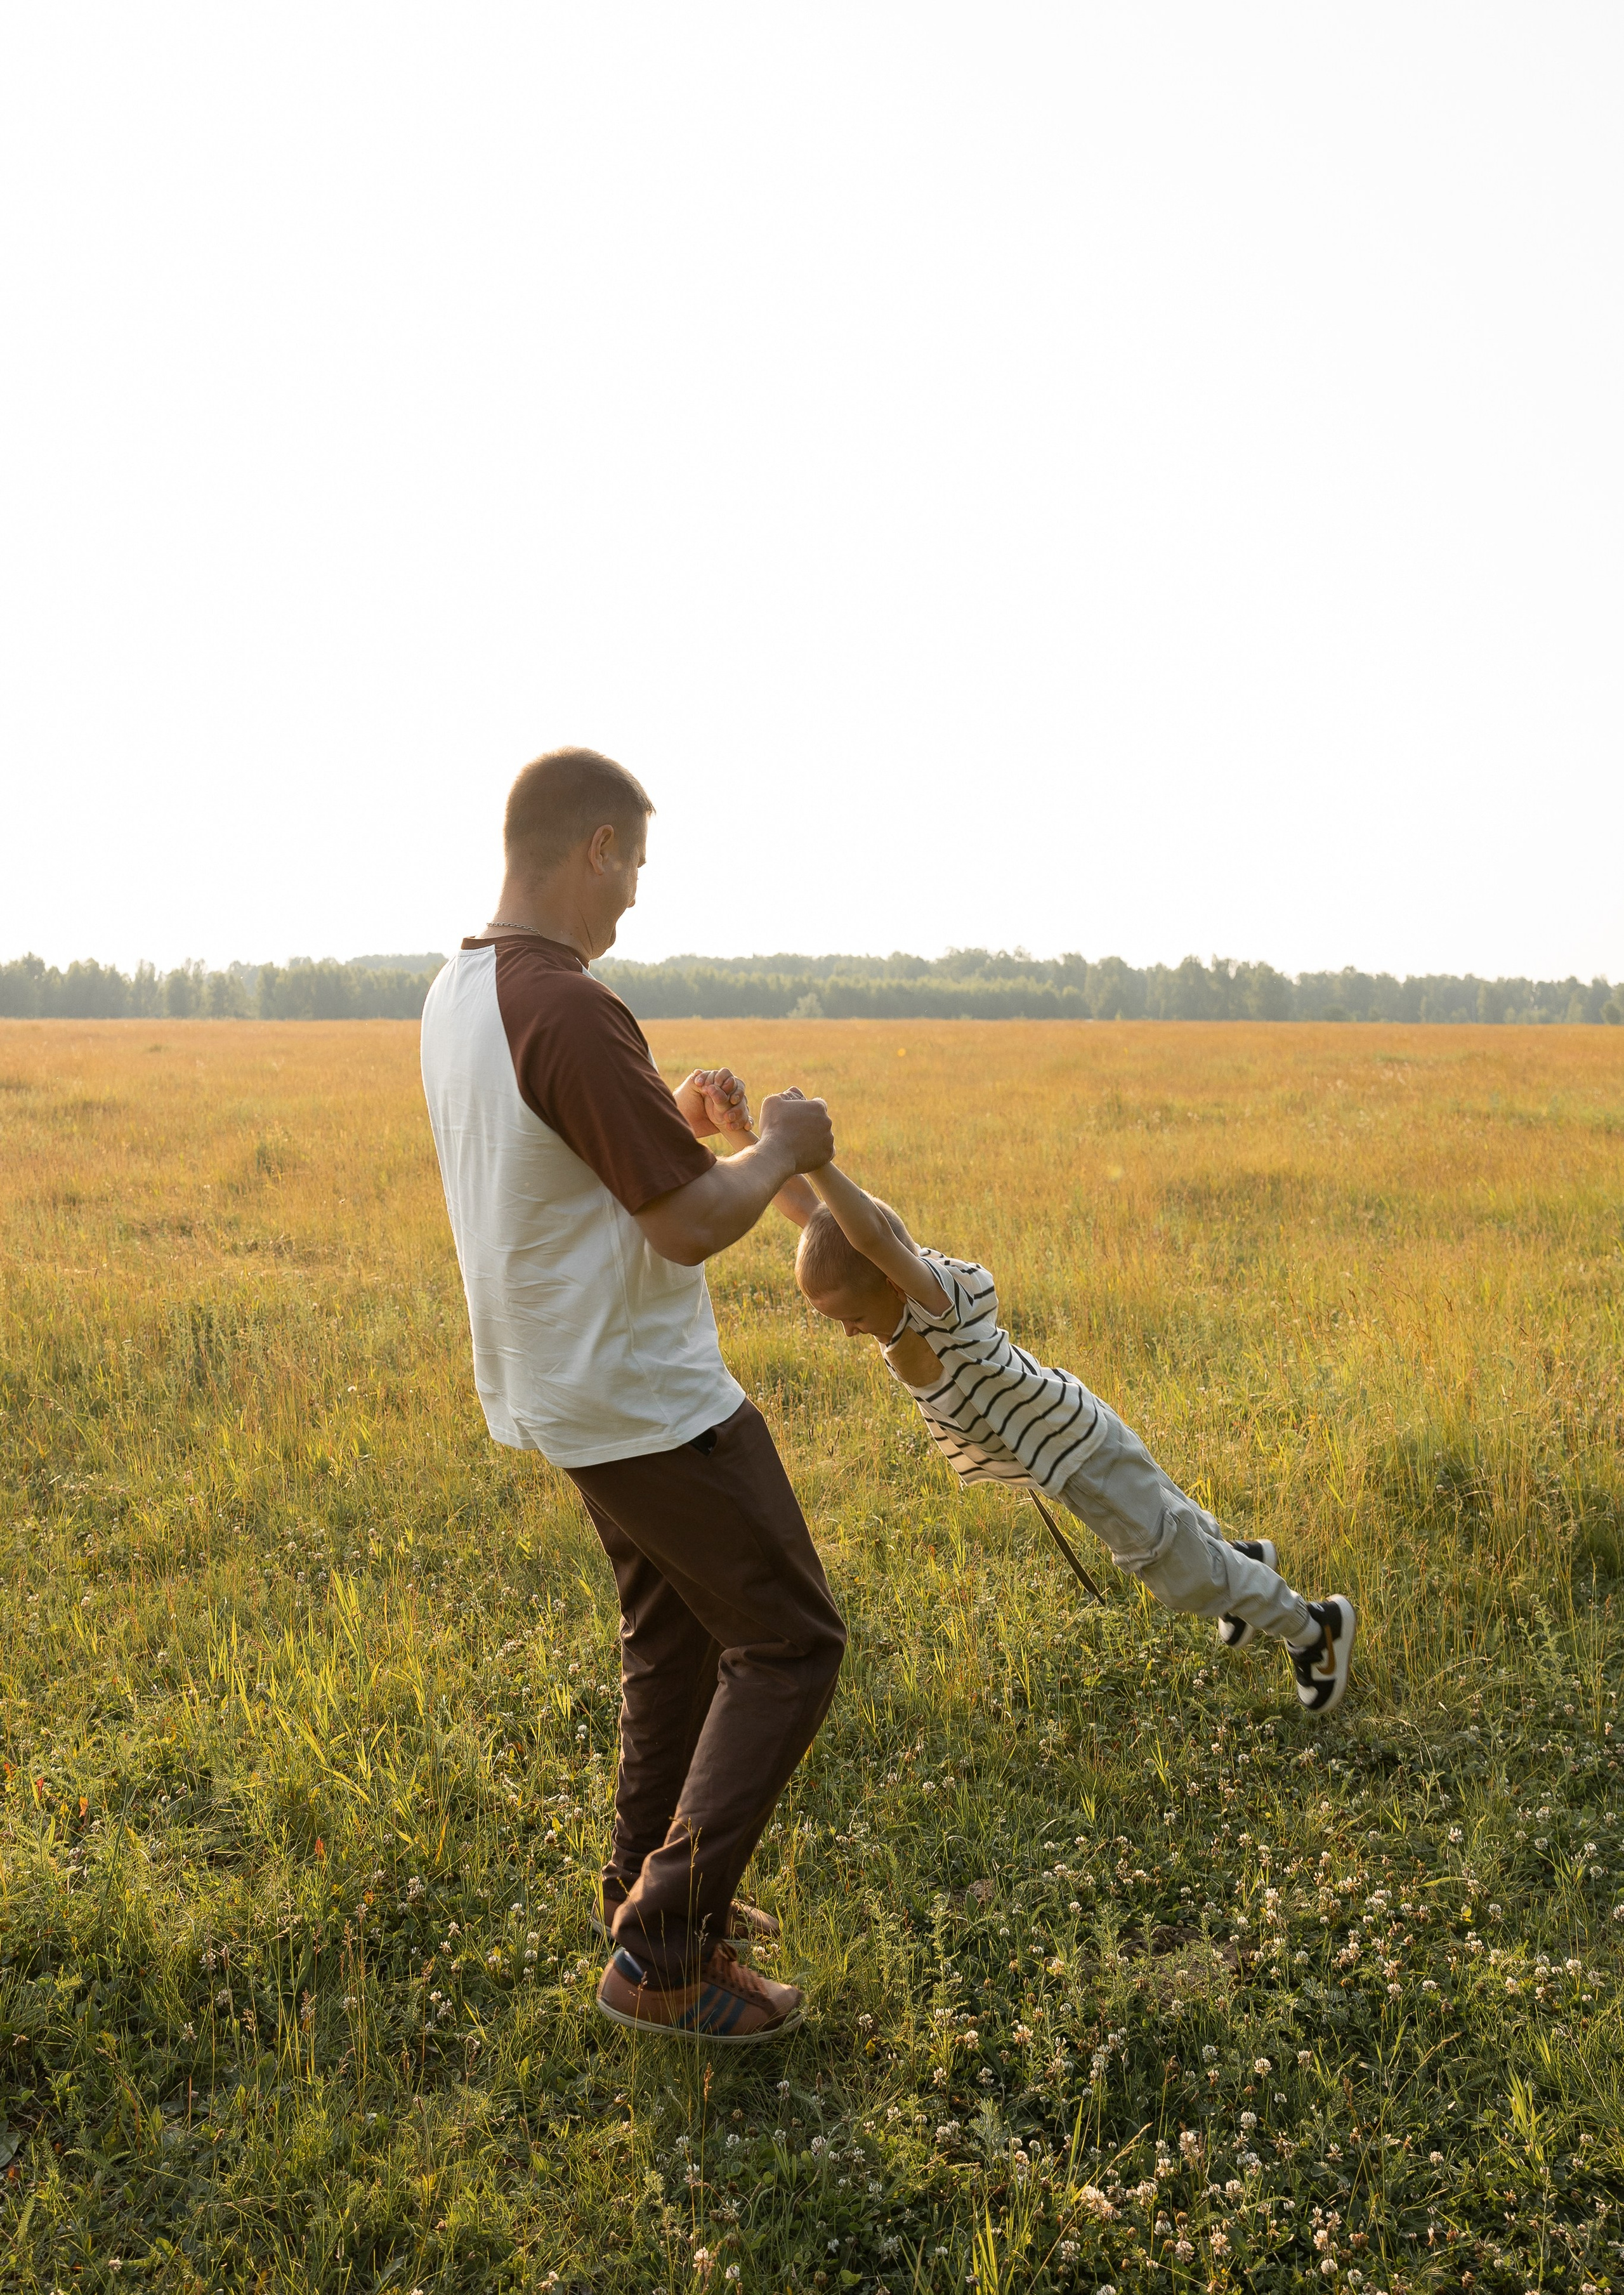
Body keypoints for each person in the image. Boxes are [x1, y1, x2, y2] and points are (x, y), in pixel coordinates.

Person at [419, 748, 841, 2046]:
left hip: (562, 1388)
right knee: (789, 1642)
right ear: (595, 846)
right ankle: (661, 1953)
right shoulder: (569, 1003)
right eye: (635, 866)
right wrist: (780, 1145)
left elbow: (559, 1141)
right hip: (647, 1399)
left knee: (676, 1642)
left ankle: (641, 1893)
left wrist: (672, 1110)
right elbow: (686, 1226)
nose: (637, 898)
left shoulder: (465, 990)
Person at [711, 1094, 1355, 1712]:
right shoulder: (886, 1290)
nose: (850, 1333)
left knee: (1176, 1574)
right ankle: (1241, 1569)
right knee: (1171, 1524)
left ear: (890, 1281)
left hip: (1078, 1457)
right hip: (1072, 1437)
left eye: (850, 1318)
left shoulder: (938, 1304)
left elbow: (873, 1238)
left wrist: (818, 1157)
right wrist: (755, 1140)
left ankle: (1312, 1626)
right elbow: (813, 1215)